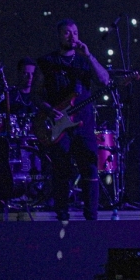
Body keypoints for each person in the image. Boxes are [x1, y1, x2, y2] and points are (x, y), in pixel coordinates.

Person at [35, 19, 110, 221]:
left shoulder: (84, 61)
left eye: (75, 32)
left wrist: (89, 55)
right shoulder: (46, 62)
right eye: (67, 33)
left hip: (84, 124)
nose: (72, 36)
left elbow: (104, 80)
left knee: (90, 168)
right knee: (61, 170)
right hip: (59, 125)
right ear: (59, 35)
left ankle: (91, 217)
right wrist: (49, 109)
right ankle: (62, 215)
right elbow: (35, 94)